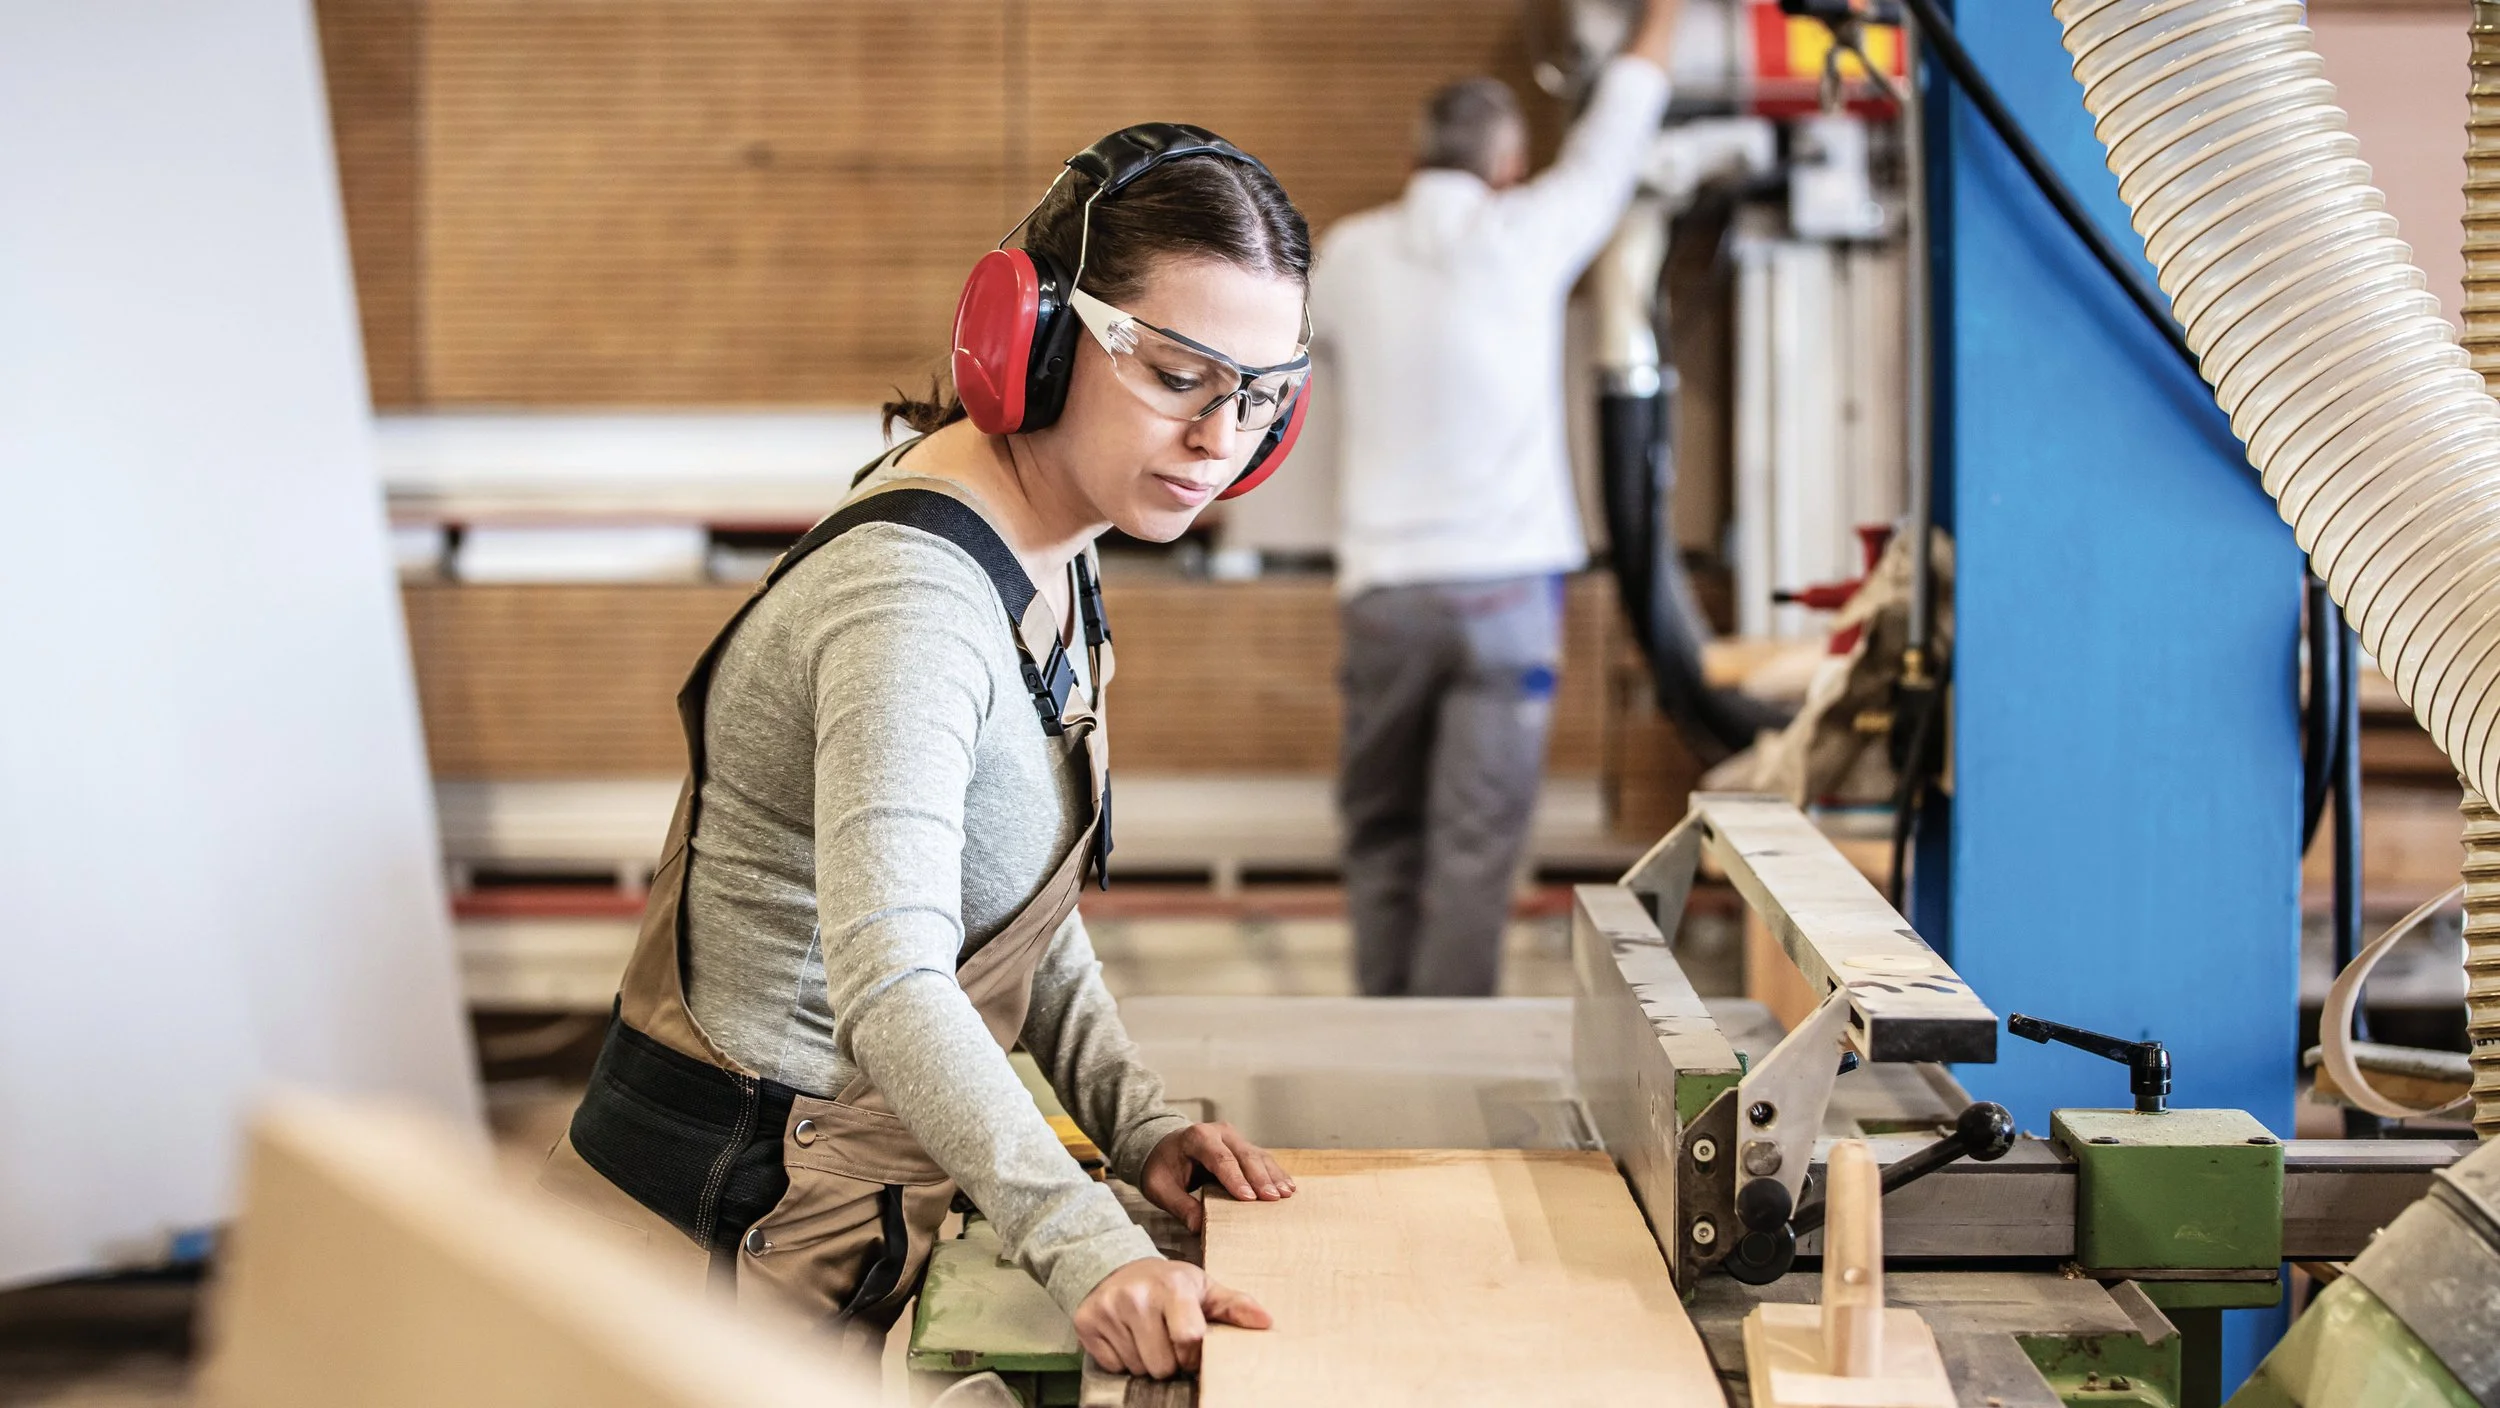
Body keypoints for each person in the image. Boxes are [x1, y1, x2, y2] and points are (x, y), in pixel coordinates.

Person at [535, 125, 1315, 1381]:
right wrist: (1089, 1244)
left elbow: (1003, 900)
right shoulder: (914, 603)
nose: (1221, 439)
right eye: (1178, 374)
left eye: (1262, 394)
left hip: (807, 1208)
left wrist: (1136, 1120)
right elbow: (894, 981)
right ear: (1040, 340)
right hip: (706, 1238)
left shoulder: (1057, 539)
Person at [1311, 1, 1682, 997]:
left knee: (1382, 832)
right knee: (1474, 854)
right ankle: (1444, 1064)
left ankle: (1378, 1045)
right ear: (1508, 165)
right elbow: (1622, 121)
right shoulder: (1530, 231)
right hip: (1507, 599)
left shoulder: (1345, 256)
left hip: (1384, 594)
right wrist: (1664, 16)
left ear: (1412, 157)